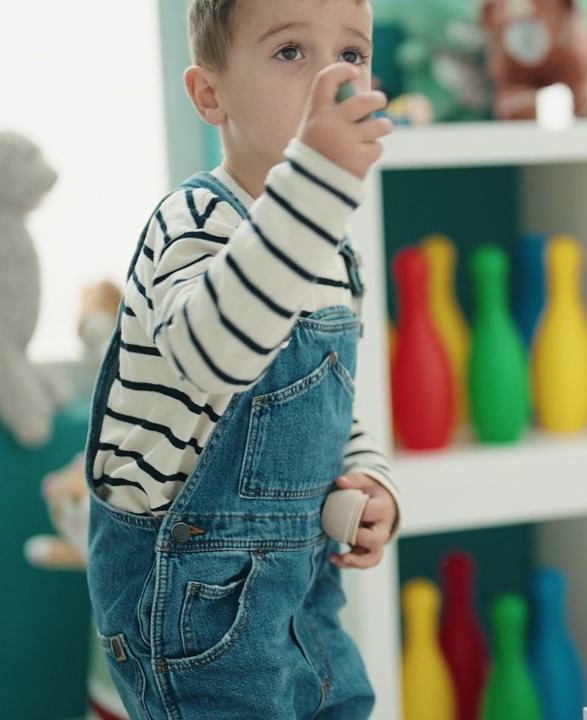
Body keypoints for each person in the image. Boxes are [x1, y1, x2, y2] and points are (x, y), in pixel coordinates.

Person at [84, 1, 397, 716]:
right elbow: (217, 354)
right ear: (210, 95)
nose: (331, 78)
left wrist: (373, 483)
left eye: (351, 55)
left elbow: (327, 408)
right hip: (190, 602)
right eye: (291, 52)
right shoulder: (191, 225)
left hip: (302, 597)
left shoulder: (331, 252)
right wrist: (315, 183)